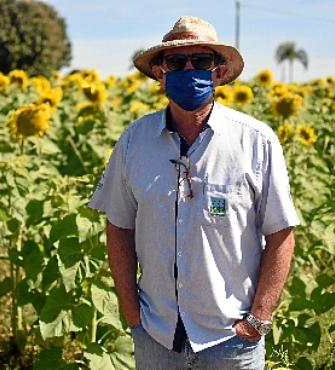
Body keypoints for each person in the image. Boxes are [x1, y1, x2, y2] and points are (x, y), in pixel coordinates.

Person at [89, 15, 300, 370]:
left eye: (201, 61)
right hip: (156, 335)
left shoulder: (256, 142)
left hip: (230, 339)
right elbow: (119, 227)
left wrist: (259, 317)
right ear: (160, 72)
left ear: (218, 71)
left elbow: (281, 233)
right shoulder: (133, 142)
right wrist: (132, 314)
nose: (190, 70)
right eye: (176, 61)